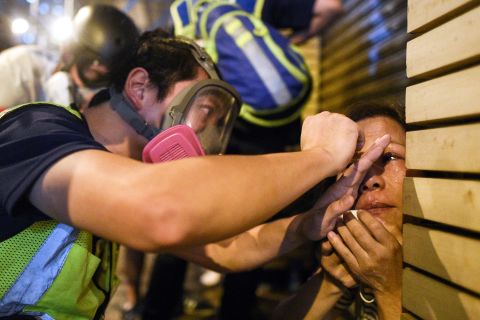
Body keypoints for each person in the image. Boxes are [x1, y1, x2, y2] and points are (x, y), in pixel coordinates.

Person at [0, 29, 386, 319]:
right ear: (139, 87)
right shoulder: (38, 130)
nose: (204, 136)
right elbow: (163, 213)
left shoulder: (120, 179)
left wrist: (307, 225)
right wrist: (322, 156)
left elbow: (227, 249)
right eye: (204, 109)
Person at [132, 1, 343, 318]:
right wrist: (282, 42)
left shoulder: (181, 11)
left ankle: (158, 310)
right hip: (267, 130)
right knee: (256, 217)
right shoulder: (255, 2)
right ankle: (236, 310)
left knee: (183, 213)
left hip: (212, 124)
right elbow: (332, 7)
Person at [273, 102, 406, 319]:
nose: (369, 180)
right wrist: (332, 281)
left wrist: (390, 290)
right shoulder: (359, 258)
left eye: (389, 157)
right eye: (354, 166)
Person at [0, 4, 139, 111]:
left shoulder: (96, 100)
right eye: (92, 73)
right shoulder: (17, 68)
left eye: (101, 79)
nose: (86, 89)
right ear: (69, 52)